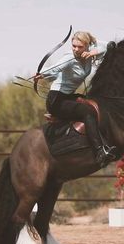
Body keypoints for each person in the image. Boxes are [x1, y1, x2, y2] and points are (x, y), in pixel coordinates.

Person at [34, 31, 116, 168]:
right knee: (88, 111)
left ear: (87, 45)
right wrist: (41, 74)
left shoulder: (91, 50)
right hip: (57, 100)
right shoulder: (69, 58)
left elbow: (111, 46)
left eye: (80, 47)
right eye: (74, 46)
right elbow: (56, 68)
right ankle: (99, 151)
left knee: (93, 102)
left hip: (68, 96)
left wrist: (93, 53)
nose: (76, 50)